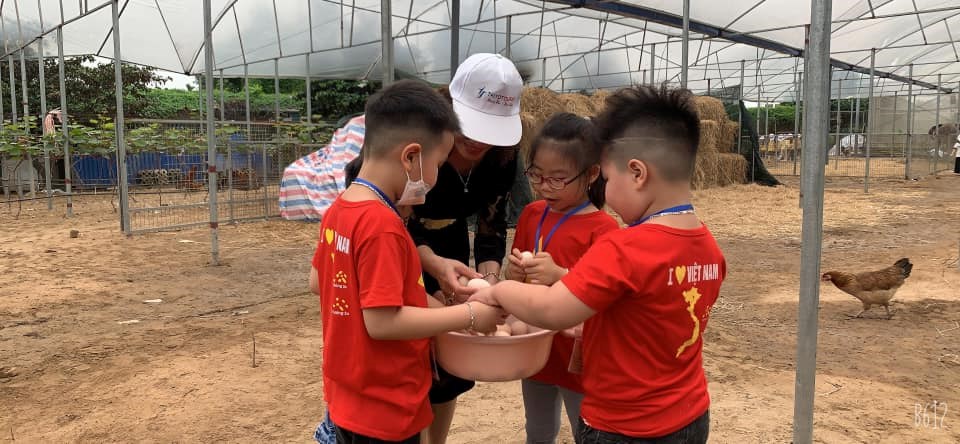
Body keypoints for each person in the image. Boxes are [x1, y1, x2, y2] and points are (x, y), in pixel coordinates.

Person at [469, 84, 727, 444]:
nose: (603, 190)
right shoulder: (708, 247)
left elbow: (552, 309)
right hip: (690, 416)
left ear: (637, 173)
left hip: (624, 425)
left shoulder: (624, 248)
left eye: (606, 178)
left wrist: (499, 291)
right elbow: (647, 320)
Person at [344, 53, 525, 444]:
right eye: (471, 127)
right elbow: (379, 212)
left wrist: (488, 283)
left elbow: (491, 225)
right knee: (412, 349)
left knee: (447, 370)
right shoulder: (417, 134)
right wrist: (436, 273)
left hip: (449, 246)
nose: (478, 141)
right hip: (402, 243)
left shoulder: (502, 159)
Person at [309, 80, 503, 443]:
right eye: (438, 164)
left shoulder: (340, 210)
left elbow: (318, 281)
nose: (436, 178)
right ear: (411, 157)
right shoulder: (383, 226)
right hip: (387, 405)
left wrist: (446, 310)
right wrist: (469, 316)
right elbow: (382, 322)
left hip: (348, 400)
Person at [503, 113, 619, 444]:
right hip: (536, 345)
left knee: (587, 430)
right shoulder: (531, 214)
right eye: (536, 175)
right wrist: (514, 273)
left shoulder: (603, 229)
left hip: (578, 353)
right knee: (538, 429)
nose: (543, 186)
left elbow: (606, 294)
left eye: (557, 179)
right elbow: (516, 275)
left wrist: (561, 275)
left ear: (592, 174)